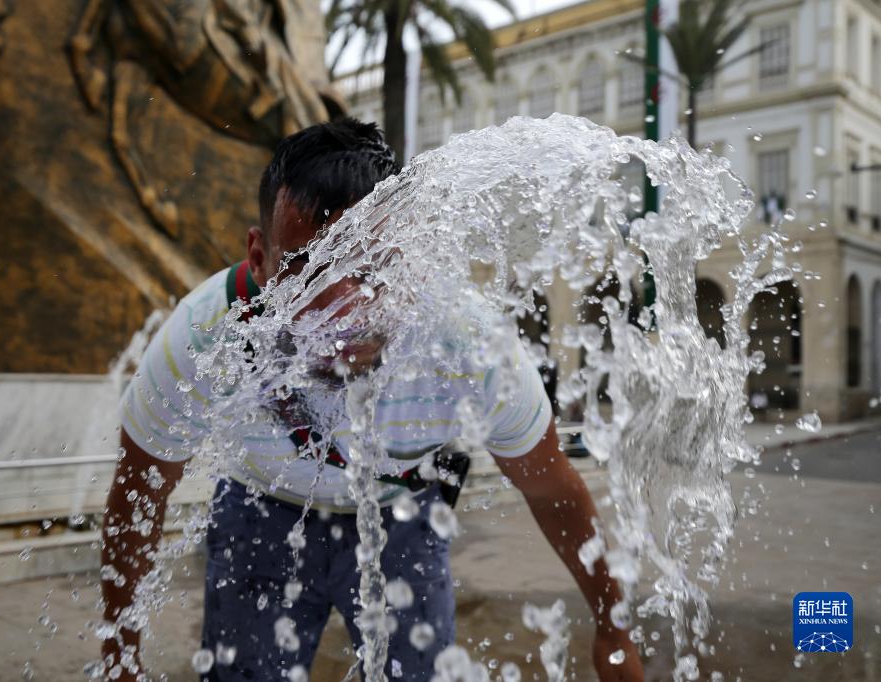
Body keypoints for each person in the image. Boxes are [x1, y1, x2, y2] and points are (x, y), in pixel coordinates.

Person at [100, 117, 643, 681]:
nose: (342, 312)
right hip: (259, 510)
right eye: (306, 272)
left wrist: (613, 626)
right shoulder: (206, 336)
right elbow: (138, 495)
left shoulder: (468, 344)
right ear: (258, 258)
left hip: (400, 519)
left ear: (410, 260)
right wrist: (120, 657)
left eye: (370, 269)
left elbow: (552, 486)